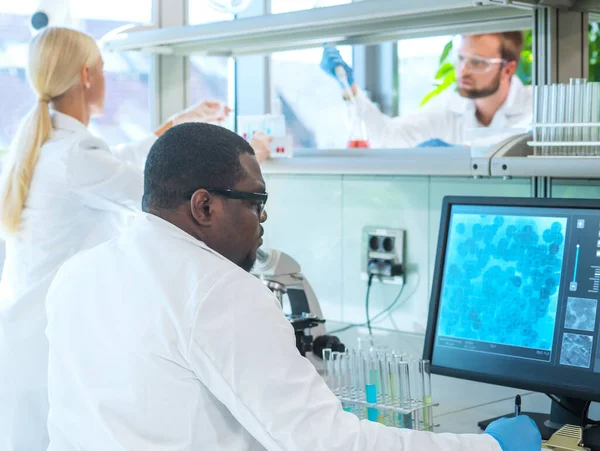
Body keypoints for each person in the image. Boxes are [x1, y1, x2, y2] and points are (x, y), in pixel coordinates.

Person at [45, 122, 541, 450]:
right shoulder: (216, 288)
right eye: (256, 201)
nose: (263, 220)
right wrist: (491, 445)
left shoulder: (77, 273)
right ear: (204, 207)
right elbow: (326, 442)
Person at [0, 26, 266, 451]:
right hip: (43, 345)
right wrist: (241, 171)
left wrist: (173, 127)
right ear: (87, 76)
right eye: (103, 69)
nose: (106, 77)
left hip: (25, 335)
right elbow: (150, 192)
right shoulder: (74, 156)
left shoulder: (53, 146)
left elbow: (118, 162)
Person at [320, 32, 533, 148]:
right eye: (461, 58)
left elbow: (524, 141)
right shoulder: (448, 108)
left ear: (508, 69)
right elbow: (388, 137)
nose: (463, 71)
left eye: (477, 62)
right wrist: (350, 88)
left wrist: (463, 153)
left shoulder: (537, 106)